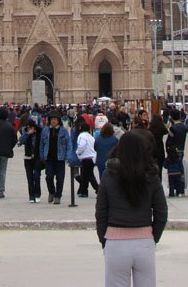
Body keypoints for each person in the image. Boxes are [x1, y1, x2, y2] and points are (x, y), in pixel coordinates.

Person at [96, 130, 167, 287]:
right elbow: (161, 212)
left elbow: (101, 212)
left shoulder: (109, 174)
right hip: (144, 241)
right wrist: (153, 237)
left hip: (115, 241)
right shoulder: (151, 175)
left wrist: (104, 239)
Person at [40, 110, 72, 204]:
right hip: (49, 157)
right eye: (52, 119)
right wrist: (42, 155)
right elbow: (42, 144)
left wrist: (69, 156)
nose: (53, 121)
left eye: (55, 119)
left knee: (60, 178)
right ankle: (51, 192)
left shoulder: (64, 131)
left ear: (58, 120)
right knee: (49, 176)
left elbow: (68, 144)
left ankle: (58, 195)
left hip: (60, 158)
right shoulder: (45, 130)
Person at [18, 119, 43, 202]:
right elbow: (20, 142)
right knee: (30, 178)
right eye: (28, 128)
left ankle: (37, 194)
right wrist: (27, 134)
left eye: (31, 127)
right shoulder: (26, 134)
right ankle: (31, 196)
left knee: (36, 176)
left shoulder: (40, 134)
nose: (29, 129)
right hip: (28, 158)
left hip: (37, 158)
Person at [76, 121, 99, 197]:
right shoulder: (91, 137)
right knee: (85, 176)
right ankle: (84, 191)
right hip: (92, 157)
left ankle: (98, 189)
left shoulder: (82, 136)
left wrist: (78, 152)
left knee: (89, 175)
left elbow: (82, 146)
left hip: (86, 158)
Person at [148, 114, 167, 179]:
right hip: (160, 148)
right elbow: (166, 131)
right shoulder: (161, 127)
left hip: (152, 149)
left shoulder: (150, 128)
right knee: (160, 169)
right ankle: (159, 181)